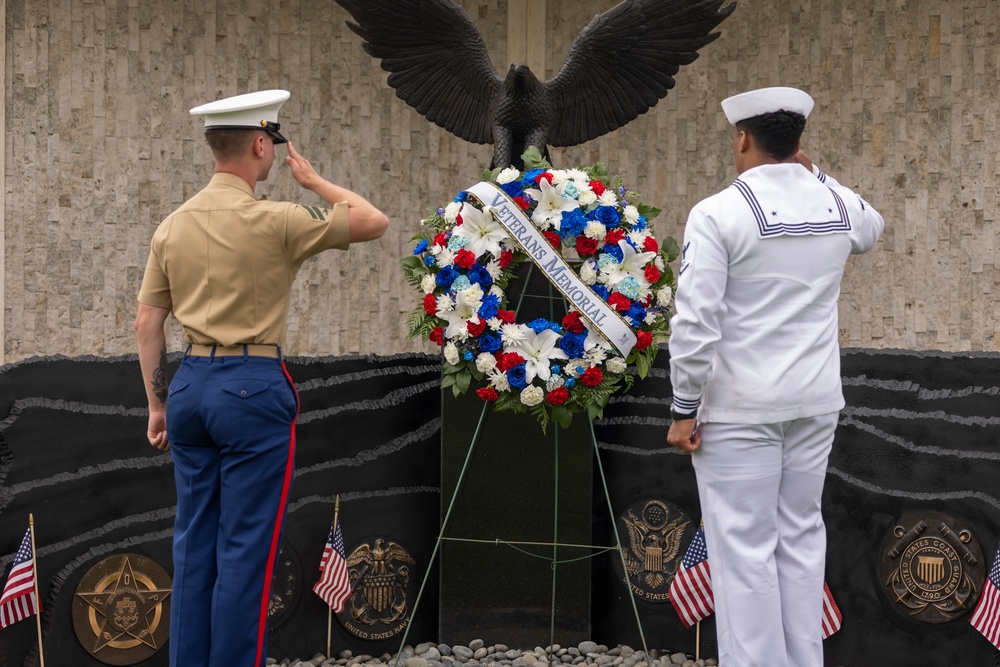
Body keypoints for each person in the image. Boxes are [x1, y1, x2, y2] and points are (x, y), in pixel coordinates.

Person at [134, 89, 389, 667]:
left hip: (188, 390)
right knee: (245, 553)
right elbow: (373, 220)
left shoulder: (171, 226)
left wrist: (157, 406)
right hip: (250, 387)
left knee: (193, 548)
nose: (274, 155)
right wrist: (316, 182)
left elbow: (148, 322)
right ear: (258, 143)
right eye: (272, 144)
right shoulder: (276, 218)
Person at [666, 86, 883, 667]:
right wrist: (821, 175)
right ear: (798, 142)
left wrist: (684, 407)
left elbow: (695, 323)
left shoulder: (717, 213)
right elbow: (872, 226)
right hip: (814, 403)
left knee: (744, 555)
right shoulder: (834, 204)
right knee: (801, 543)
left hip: (739, 410)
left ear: (741, 137)